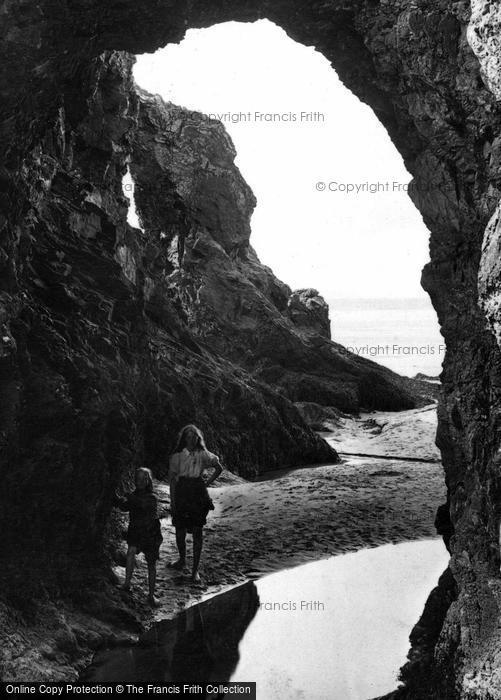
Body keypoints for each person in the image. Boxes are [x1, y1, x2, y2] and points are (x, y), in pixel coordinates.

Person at [168, 425, 223, 583]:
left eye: (194, 436)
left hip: (198, 493)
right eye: (188, 436)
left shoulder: (203, 454)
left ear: (197, 438)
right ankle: (182, 560)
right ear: (184, 438)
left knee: (198, 531)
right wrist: (173, 502)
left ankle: (195, 571)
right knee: (180, 530)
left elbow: (219, 468)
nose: (191, 439)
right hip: (182, 492)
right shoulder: (177, 456)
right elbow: (172, 481)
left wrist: (207, 483)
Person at [114, 467, 163, 606]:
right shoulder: (134, 495)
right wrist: (116, 498)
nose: (140, 481)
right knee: (130, 552)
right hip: (136, 531)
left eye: (143, 479)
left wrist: (128, 497)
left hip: (151, 533)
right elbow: (124, 506)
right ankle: (127, 584)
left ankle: (151, 595)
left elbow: (140, 504)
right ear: (135, 480)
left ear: (148, 481)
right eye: (138, 479)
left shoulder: (152, 497)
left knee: (151, 563)